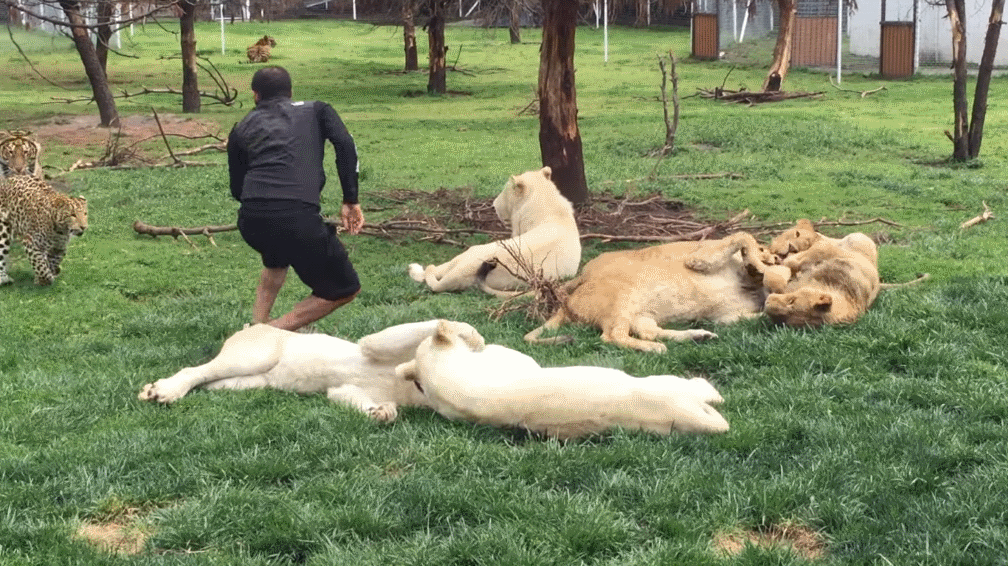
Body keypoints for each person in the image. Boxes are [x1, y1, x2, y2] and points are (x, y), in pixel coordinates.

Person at [227, 66, 364, 331]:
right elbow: (346, 145)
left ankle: (257, 324)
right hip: (297, 217)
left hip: (251, 221)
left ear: (255, 96)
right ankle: (268, 334)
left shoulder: (241, 127)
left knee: (276, 260)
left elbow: (237, 189)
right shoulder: (317, 110)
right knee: (345, 288)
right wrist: (350, 199)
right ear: (290, 92)